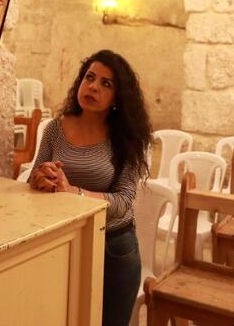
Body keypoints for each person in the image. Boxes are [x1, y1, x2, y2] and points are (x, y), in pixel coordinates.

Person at [29, 49, 152, 326]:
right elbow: (33, 181)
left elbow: (123, 201)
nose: (93, 87)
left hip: (113, 245)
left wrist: (73, 192)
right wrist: (41, 178)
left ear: (117, 98)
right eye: (90, 77)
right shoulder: (54, 129)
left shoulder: (127, 139)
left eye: (105, 84)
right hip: (63, 241)